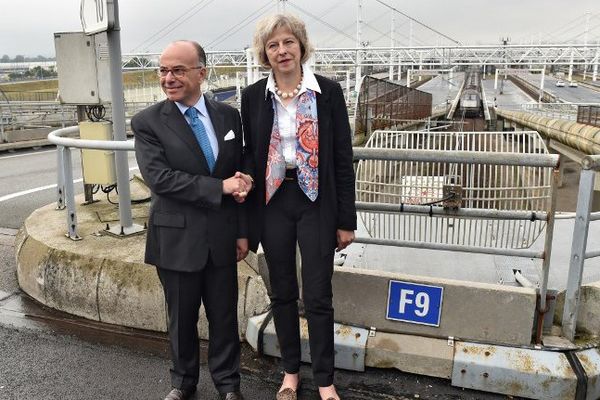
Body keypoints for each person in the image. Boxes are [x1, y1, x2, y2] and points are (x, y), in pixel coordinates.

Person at [240, 14, 357, 400]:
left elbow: (342, 159)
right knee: (283, 291)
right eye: (273, 45)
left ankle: (325, 380)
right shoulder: (253, 95)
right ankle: (290, 372)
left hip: (317, 201)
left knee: (319, 294)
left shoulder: (328, 91)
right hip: (274, 200)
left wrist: (346, 220)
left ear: (301, 46)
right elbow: (250, 155)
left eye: (288, 42)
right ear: (264, 54)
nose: (282, 51)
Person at [132, 40, 247, 400]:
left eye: (178, 70)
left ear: (201, 72)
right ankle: (182, 383)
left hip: (221, 236)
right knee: (181, 320)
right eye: (163, 71)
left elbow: (236, 170)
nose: (169, 78)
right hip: (177, 238)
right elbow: (161, 179)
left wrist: (242, 222)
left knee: (225, 318)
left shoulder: (229, 117)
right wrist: (221, 186)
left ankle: (229, 385)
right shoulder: (148, 122)